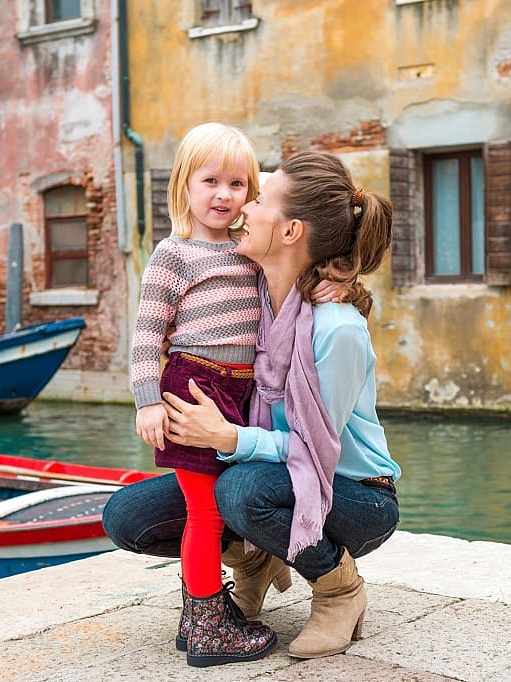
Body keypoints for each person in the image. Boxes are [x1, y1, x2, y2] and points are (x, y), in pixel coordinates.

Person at [106, 149, 401, 660]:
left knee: (242, 491)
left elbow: (314, 451)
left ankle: (338, 590)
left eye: (257, 198)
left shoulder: (338, 330)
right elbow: (169, 317)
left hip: (357, 496)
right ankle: (258, 558)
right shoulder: (256, 296)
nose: (242, 206)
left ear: (290, 233)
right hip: (268, 472)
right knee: (128, 515)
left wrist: (228, 438)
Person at [128, 121, 277, 667]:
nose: (223, 194)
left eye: (237, 184)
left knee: (214, 510)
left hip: (239, 392)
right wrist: (147, 400)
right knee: (205, 514)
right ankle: (210, 624)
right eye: (211, 181)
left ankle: (199, 619)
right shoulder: (174, 255)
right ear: (184, 185)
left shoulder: (248, 251)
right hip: (191, 387)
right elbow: (147, 334)